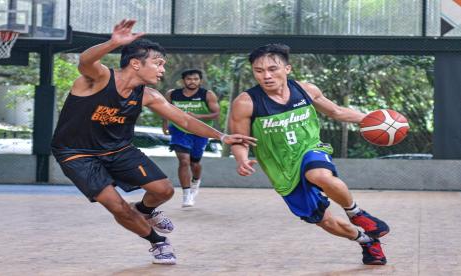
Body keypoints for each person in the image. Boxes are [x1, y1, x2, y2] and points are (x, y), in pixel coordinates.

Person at [50, 19, 256, 265]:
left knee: (163, 190)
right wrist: (113, 43)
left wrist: (222, 136)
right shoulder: (99, 78)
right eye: (158, 63)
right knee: (116, 206)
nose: (162, 69)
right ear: (136, 63)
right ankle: (157, 242)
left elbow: (186, 121)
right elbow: (85, 61)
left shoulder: (149, 96)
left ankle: (145, 211)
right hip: (76, 153)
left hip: (118, 149)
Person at [229, 43, 389, 265]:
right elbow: (239, 140)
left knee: (319, 175)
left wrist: (374, 120)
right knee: (324, 221)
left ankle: (357, 213)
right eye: (259, 71)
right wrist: (242, 158)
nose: (266, 75)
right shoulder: (246, 102)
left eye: (272, 69)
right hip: (282, 168)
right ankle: (366, 241)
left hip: (310, 148)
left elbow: (336, 112)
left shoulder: (306, 90)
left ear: (287, 69)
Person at [162, 69, 220, 207]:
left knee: (194, 163)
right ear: (183, 81)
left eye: (195, 79)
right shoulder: (172, 94)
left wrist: (199, 117)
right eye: (189, 79)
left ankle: (196, 181)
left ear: (200, 81)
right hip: (179, 130)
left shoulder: (207, 95)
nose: (192, 81)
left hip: (200, 131)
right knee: (184, 161)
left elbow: (216, 114)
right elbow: (163, 110)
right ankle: (186, 195)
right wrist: (164, 124)